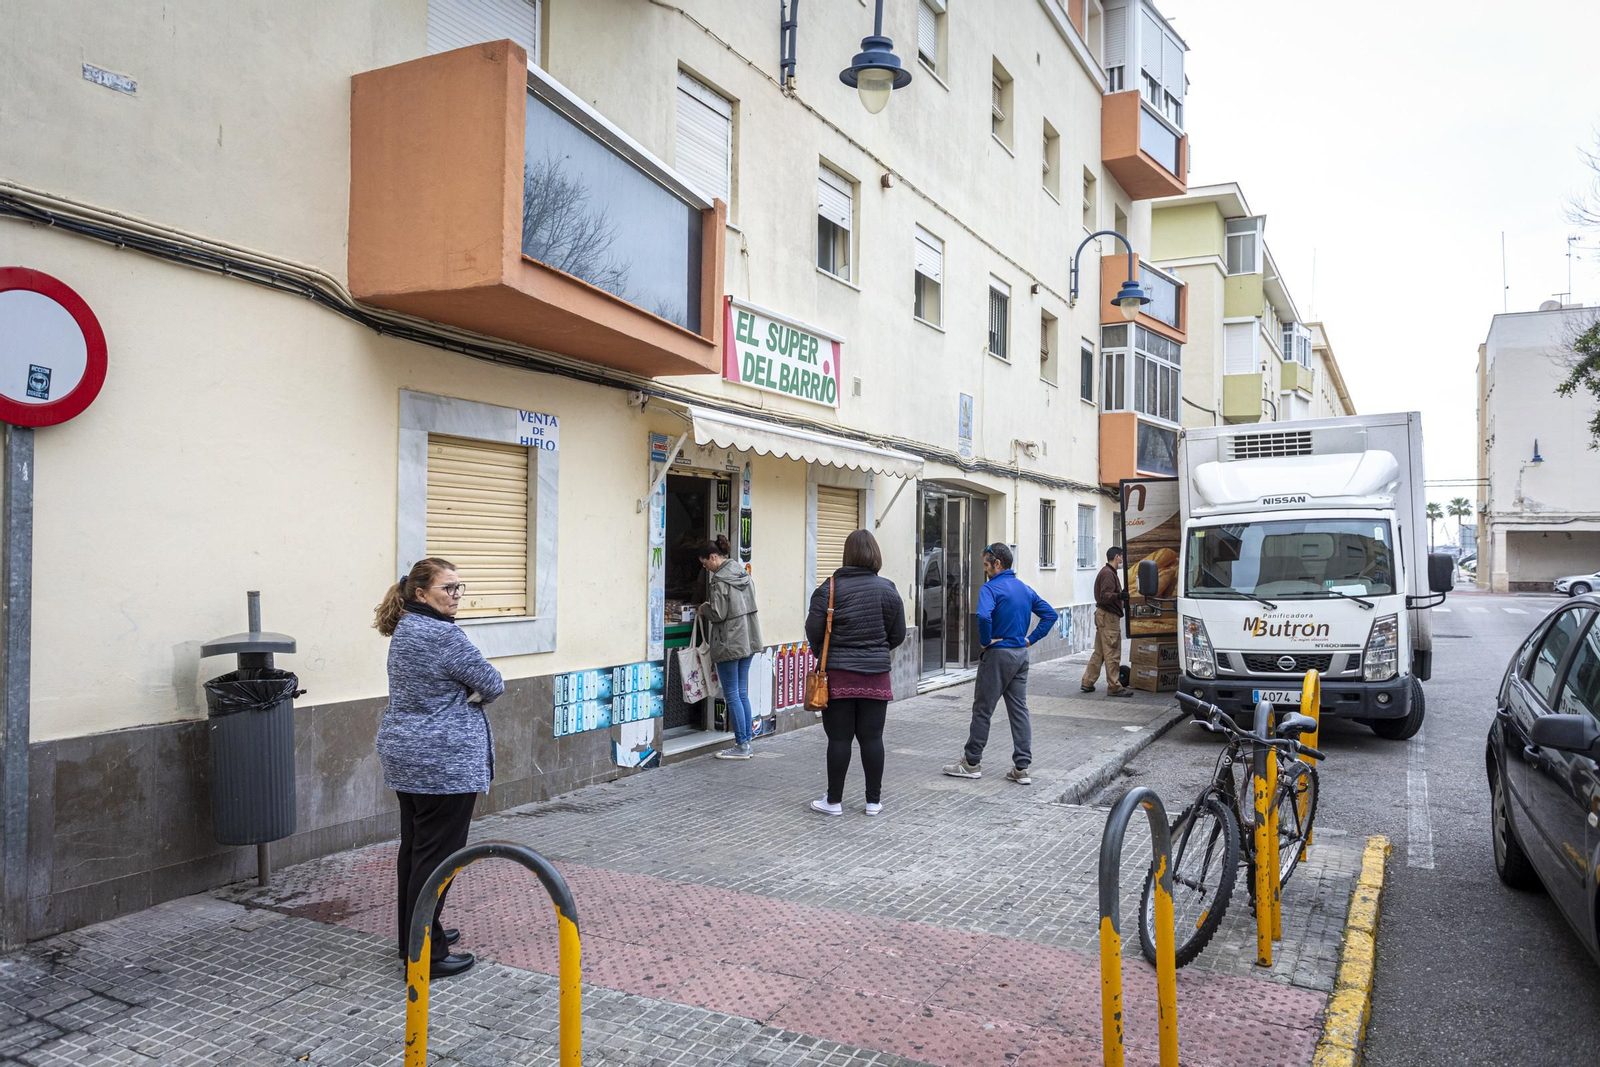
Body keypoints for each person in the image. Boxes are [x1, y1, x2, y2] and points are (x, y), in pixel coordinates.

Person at [373, 557, 504, 979]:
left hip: (408, 754)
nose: (456, 596)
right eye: (448, 588)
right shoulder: (444, 636)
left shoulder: (407, 628)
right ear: (420, 593)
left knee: (415, 851)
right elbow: (493, 683)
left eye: (459, 588)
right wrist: (470, 693)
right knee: (436, 858)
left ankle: (414, 937)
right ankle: (426, 953)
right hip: (442, 762)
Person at [804, 529, 906, 816]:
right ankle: (873, 802)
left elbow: (813, 630)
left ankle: (833, 801)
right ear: (875, 554)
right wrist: (876, 650)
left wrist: (826, 653)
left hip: (838, 676)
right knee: (872, 739)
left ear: (847, 555)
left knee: (839, 739)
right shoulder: (889, 589)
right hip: (876, 676)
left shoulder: (829, 588)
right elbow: (897, 635)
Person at [943, 543, 1058, 785]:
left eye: (986, 564)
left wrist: (985, 641)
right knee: (1019, 710)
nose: (984, 569)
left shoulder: (990, 589)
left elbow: (984, 616)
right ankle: (1022, 768)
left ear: (998, 564)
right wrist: (1030, 640)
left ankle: (971, 763)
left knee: (983, 710)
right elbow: (1050, 615)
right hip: (1019, 656)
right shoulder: (1024, 589)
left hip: (997, 656)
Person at [698, 535, 763, 760]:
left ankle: (742, 745)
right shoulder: (743, 574)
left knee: (732, 694)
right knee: (742, 692)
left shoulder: (720, 581)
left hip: (729, 642)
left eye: (706, 564)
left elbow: (717, 613)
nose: (707, 569)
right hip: (748, 639)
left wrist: (704, 609)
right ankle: (747, 742)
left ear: (714, 557)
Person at [1082, 546, 1133, 697]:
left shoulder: (1108, 572)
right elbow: (1105, 595)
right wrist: (1119, 596)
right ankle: (1114, 687)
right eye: (1121, 557)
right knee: (1112, 652)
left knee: (1100, 653)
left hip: (1104, 616)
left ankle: (1087, 682)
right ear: (1117, 557)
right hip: (1109, 617)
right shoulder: (1108, 574)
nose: (1122, 560)